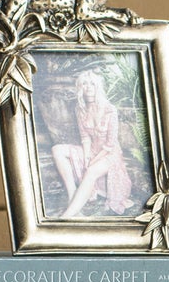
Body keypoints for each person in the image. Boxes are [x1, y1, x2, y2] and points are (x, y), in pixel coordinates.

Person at [50, 69, 134, 218]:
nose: (88, 87)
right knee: (57, 150)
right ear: (80, 88)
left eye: (92, 84)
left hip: (110, 154)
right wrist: (87, 155)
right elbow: (85, 137)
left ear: (98, 87)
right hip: (92, 150)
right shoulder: (80, 109)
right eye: (84, 84)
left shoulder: (110, 110)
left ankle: (66, 217)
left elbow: (110, 144)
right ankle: (72, 197)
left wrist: (92, 161)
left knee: (90, 170)